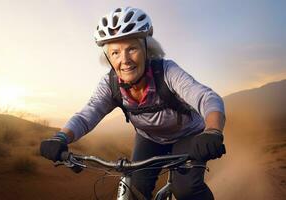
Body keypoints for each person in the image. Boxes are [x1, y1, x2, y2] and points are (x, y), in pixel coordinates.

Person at [40, 7, 226, 200]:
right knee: (133, 190)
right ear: (108, 58)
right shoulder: (110, 84)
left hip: (187, 136)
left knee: (187, 190)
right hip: (149, 138)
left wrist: (212, 131)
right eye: (115, 53)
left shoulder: (167, 72)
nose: (125, 60)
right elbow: (88, 113)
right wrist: (60, 138)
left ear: (147, 49)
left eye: (132, 48)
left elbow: (207, 98)